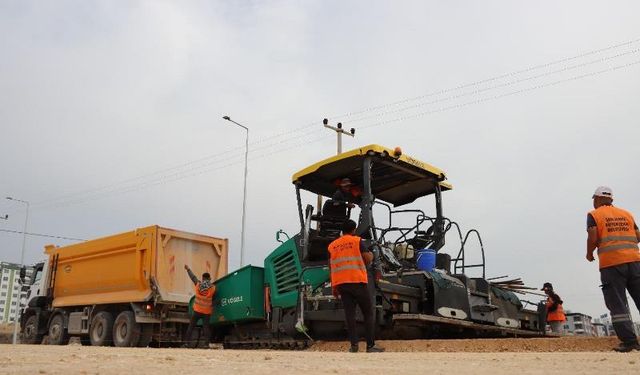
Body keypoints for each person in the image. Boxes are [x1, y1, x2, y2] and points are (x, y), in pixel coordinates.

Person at [586, 186, 640, 352]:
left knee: (617, 304)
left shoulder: (594, 215)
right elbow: (638, 236)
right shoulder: (626, 214)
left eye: (594, 199)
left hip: (611, 264)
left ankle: (630, 342)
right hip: (635, 261)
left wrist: (589, 253)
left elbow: (593, 235)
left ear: (598, 198)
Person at [328, 219, 384, 353]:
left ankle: (354, 346)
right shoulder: (357, 241)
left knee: (350, 315)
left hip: (342, 284)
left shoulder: (332, 246)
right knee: (368, 313)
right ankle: (370, 346)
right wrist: (371, 254)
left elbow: (332, 267)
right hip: (357, 281)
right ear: (353, 230)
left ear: (342, 230)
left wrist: (334, 287)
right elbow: (367, 259)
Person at [183, 265, 216, 348]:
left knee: (191, 326)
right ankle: (206, 344)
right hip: (207, 311)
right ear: (209, 278)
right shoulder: (212, 288)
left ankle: (186, 343)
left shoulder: (198, 284)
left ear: (202, 278)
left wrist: (188, 269)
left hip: (197, 310)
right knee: (206, 327)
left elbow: (193, 277)